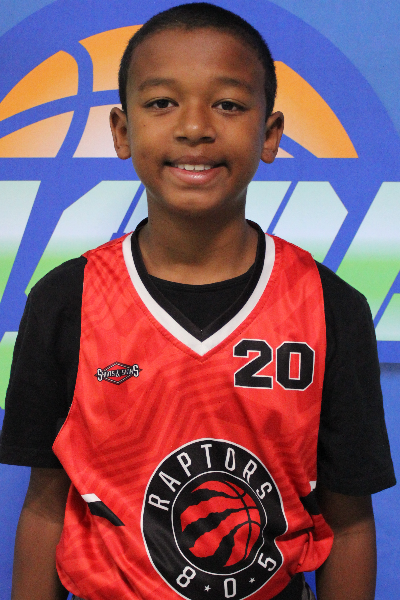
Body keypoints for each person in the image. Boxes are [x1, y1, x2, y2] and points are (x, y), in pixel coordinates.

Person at [0, 3, 395, 600]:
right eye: (162, 103)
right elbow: (45, 509)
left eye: (228, 105)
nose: (194, 127)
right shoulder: (66, 300)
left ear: (270, 134)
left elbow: (349, 523)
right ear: (121, 131)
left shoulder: (329, 306)